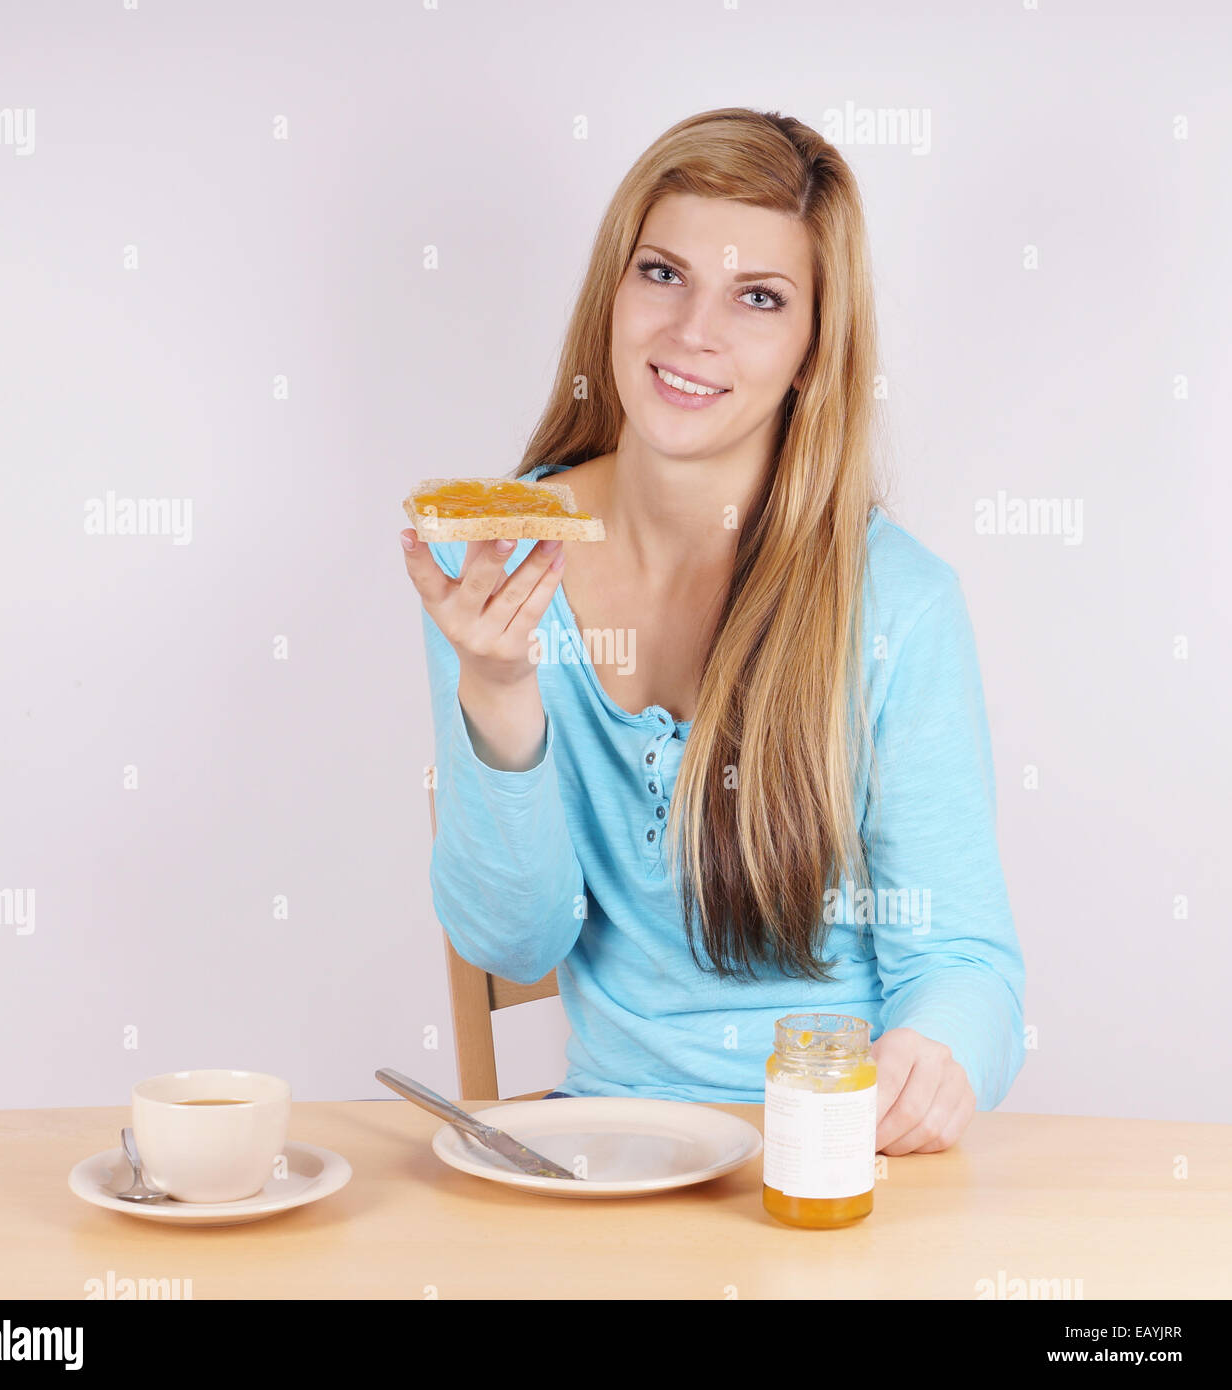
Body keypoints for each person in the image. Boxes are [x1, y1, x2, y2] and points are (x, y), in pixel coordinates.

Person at [400, 108, 1024, 1155]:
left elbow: (965, 963)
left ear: (813, 351)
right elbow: (511, 936)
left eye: (759, 298)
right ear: (612, 288)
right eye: (661, 274)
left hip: (828, 1146)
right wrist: (498, 690)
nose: (693, 332)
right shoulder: (498, 559)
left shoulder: (898, 605)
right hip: (605, 1142)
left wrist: (938, 1055)